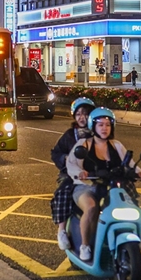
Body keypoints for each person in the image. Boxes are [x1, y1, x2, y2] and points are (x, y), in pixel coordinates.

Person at [66, 107, 141, 263]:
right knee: (92, 207)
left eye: (107, 125)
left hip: (112, 188)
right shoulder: (84, 144)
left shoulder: (116, 145)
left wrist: (140, 172)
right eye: (100, 125)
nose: (104, 128)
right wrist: (81, 172)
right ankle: (85, 245)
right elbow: (71, 164)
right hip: (87, 186)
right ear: (93, 126)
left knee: (131, 208)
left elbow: (130, 165)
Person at [50, 98, 95, 250]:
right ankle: (62, 230)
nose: (82, 117)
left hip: (96, 175)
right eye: (79, 114)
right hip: (72, 175)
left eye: (86, 114)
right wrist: (65, 158)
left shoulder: (99, 133)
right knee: (63, 193)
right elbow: (56, 152)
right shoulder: (70, 135)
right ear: (74, 116)